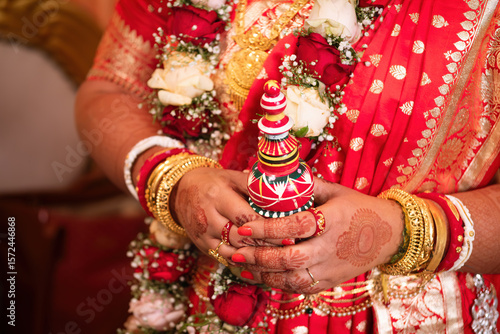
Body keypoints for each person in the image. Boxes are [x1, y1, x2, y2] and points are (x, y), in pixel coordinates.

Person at [75, 0, 500, 332]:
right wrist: (172, 179)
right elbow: (112, 89)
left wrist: (397, 232)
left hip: (410, 314)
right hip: (205, 299)